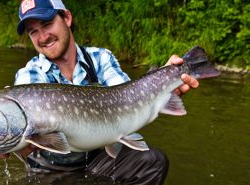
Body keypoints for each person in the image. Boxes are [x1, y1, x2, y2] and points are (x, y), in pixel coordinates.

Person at [11, 0, 199, 184]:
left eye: (47, 24)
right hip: (51, 175)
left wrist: (163, 81)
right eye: (33, 31)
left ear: (67, 17)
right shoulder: (28, 77)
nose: (43, 37)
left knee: (152, 162)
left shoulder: (100, 58)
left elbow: (130, 99)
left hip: (97, 163)